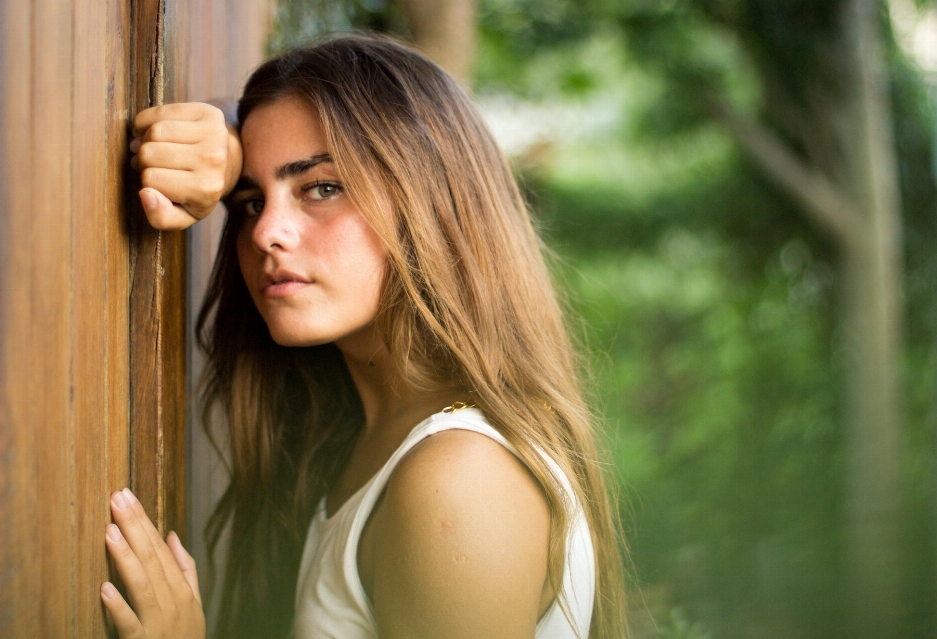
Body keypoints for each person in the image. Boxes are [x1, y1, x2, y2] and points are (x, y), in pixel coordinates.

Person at [100, 35, 627, 639]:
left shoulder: (459, 481)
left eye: (321, 188)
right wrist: (219, 131)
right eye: (248, 201)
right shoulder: (360, 437)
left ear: (430, 199)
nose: (267, 231)